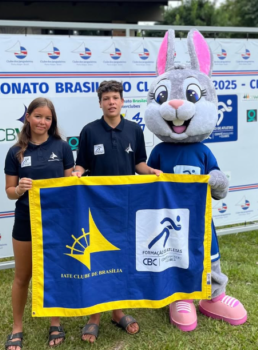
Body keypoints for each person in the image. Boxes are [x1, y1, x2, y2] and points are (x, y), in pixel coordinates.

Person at [72, 80, 162, 343]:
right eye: (106, 98)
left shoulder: (134, 130)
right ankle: (95, 317)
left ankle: (118, 312)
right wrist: (76, 174)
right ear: (100, 103)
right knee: (98, 260)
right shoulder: (89, 131)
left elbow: (139, 165)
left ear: (122, 102)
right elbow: (81, 167)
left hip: (126, 207)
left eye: (115, 97)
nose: (111, 102)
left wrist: (152, 172)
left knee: (122, 259)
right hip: (96, 208)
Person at [4, 97, 74, 350]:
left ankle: (55, 322)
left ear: (52, 121)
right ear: (28, 118)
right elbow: (9, 191)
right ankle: (17, 327)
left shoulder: (63, 147)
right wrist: (19, 189)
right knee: (23, 276)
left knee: (54, 272)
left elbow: (69, 186)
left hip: (57, 221)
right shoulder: (15, 152)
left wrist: (75, 177)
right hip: (25, 220)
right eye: (38, 116)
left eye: (48, 118)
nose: (42, 122)